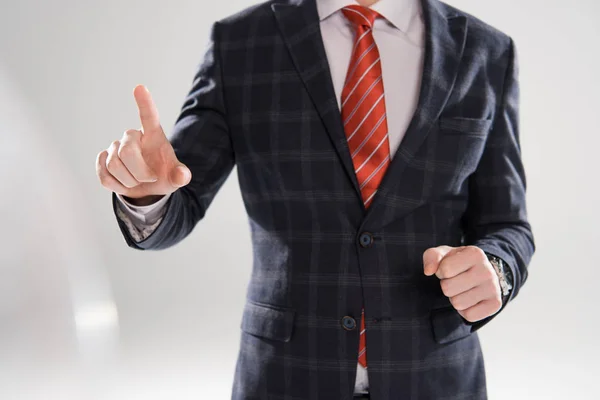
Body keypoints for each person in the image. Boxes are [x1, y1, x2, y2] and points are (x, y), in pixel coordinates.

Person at [95, 0, 535, 398]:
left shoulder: (486, 51)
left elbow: (507, 224)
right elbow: (180, 199)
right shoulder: (241, 43)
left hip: (436, 378)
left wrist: (495, 269)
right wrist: (147, 191)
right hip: (285, 378)